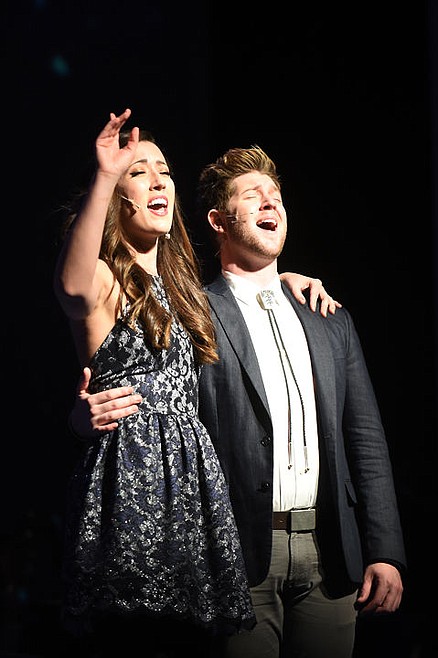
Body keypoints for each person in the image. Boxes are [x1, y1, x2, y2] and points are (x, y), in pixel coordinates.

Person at [71, 141, 407, 658]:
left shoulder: (327, 314)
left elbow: (365, 438)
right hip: (238, 551)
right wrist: (81, 415)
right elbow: (148, 390)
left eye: (276, 195)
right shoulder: (193, 315)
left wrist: (385, 550)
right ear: (218, 221)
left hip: (332, 555)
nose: (271, 202)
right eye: (252, 195)